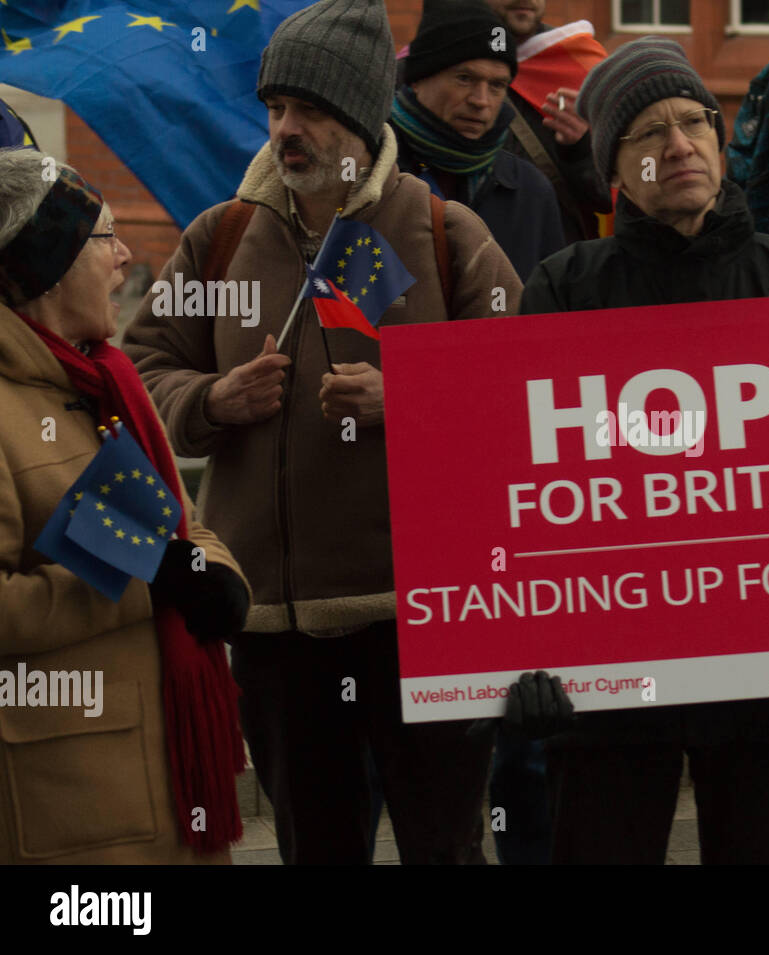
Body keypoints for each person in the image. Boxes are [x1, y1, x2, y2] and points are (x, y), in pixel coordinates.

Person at [122, 0, 522, 865]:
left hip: (426, 620)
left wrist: (407, 399)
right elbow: (140, 375)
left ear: (360, 118)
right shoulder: (218, 238)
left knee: (445, 847)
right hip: (275, 632)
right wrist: (212, 398)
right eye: (276, 109)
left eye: (309, 111)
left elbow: (521, 397)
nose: (284, 130)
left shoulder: (446, 233)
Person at [520, 37, 769, 865]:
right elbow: (526, 486)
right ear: (615, 172)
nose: (680, 146)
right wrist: (523, 655)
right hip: (611, 672)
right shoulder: (562, 291)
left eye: (695, 122)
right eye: (649, 134)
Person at [0, 151, 250, 863]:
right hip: (72, 814)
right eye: (103, 236)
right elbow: (145, 560)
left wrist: (217, 572)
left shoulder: (107, 381)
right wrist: (147, 582)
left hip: (176, 785)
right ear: (45, 262)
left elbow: (172, 524)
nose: (125, 257)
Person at [394, 0, 564, 282]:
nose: (481, 101)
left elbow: (548, 315)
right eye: (464, 78)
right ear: (418, 80)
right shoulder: (370, 172)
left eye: (497, 86)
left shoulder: (531, 191)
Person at [483, 0, 613, 243]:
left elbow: (614, 196)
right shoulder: (429, 66)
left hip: (561, 262)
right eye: (466, 79)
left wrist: (580, 150)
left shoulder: (581, 62)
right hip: (476, 258)